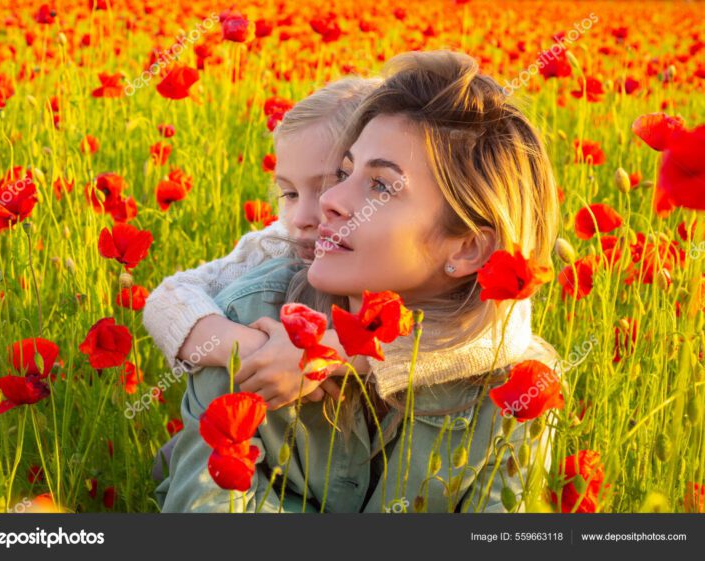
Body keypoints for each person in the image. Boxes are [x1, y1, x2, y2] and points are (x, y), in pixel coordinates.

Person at [158, 50, 563, 513]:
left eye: (380, 186)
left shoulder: (515, 392)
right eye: (346, 172)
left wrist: (340, 355)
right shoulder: (249, 325)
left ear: (468, 248)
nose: (329, 200)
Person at [144, 77, 381, 483]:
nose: (303, 217)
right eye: (289, 194)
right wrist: (260, 349)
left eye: (325, 188)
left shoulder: (409, 259)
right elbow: (167, 301)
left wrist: (316, 354)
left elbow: (461, 340)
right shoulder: (280, 244)